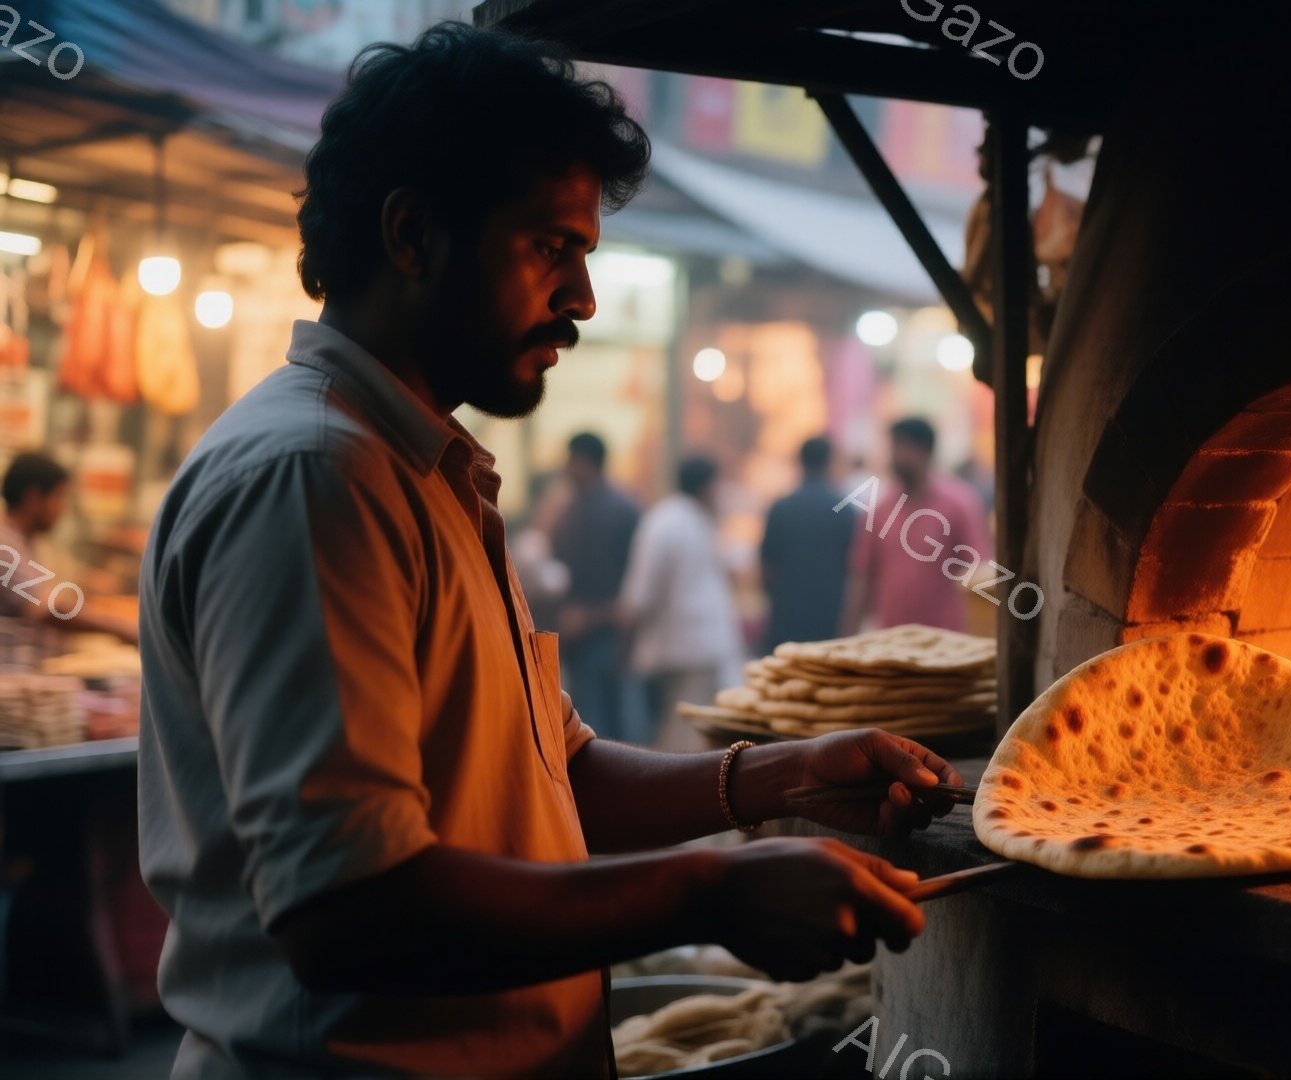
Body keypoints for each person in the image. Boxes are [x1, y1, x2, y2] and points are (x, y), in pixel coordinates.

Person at [135, 25, 958, 1079]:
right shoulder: (314, 477)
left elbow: (557, 774)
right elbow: (347, 910)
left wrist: (778, 776)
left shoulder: (422, 468)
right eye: (549, 247)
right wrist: (708, 892)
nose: (583, 302)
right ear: (412, 235)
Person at [619, 455, 744, 753]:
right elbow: (643, 593)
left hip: (691, 648)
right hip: (686, 648)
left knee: (691, 739)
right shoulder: (670, 521)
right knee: (686, 743)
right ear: (704, 487)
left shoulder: (685, 520)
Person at [841, 417, 991, 634]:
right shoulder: (881, 509)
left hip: (947, 638)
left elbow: (979, 571)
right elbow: (862, 574)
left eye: (903, 447)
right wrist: (850, 634)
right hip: (891, 637)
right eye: (894, 447)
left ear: (925, 451)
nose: (896, 456)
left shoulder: (959, 504)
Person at [549, 431, 644, 742]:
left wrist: (587, 616)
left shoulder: (604, 509)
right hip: (595, 631)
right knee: (604, 724)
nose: (567, 468)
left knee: (601, 728)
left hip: (606, 631)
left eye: (571, 460)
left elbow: (632, 580)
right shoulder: (594, 506)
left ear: (583, 461)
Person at [0, 452, 138, 646]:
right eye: (58, 497)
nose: (62, 509)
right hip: (13, 671)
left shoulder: (20, 542)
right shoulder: (5, 547)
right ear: (33, 497)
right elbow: (50, 608)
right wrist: (120, 628)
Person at [759, 435, 855, 652]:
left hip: (787, 616)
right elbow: (855, 571)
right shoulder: (844, 510)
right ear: (830, 462)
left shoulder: (781, 508)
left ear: (800, 462)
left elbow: (766, 568)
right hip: (829, 618)